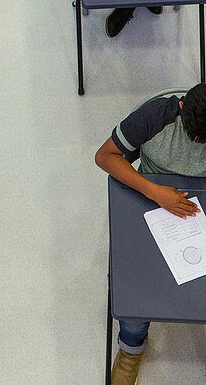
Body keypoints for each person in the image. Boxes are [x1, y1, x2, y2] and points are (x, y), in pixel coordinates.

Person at [95, 84, 206, 383]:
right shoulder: (156, 116)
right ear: (182, 109)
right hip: (151, 200)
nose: (197, 143)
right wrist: (155, 192)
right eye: (193, 136)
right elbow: (105, 156)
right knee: (134, 288)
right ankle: (131, 347)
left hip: (201, 210)